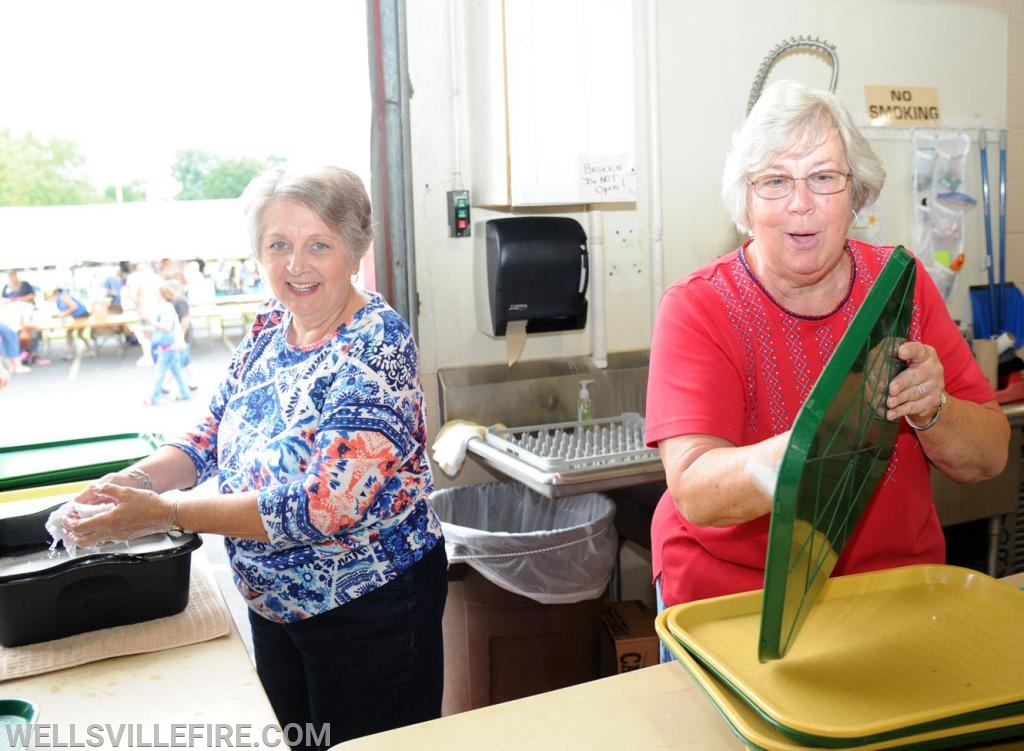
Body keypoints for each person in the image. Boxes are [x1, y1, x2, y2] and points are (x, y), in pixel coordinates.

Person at [64, 165, 447, 748]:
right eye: (279, 245)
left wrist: (163, 513)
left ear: (355, 251)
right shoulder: (272, 326)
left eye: (319, 244)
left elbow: (324, 505)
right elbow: (209, 434)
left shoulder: (376, 345)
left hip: (370, 612)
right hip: (277, 611)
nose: (297, 265)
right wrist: (132, 481)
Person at [645, 80, 1009, 633]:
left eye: (822, 177)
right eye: (774, 181)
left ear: (856, 195)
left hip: (891, 593)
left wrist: (933, 410)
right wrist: (811, 448)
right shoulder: (700, 306)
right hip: (732, 604)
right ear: (745, 202)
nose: (800, 203)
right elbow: (696, 491)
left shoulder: (900, 286)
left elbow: (989, 458)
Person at [143, 286, 191, 406]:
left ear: (163, 295)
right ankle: (185, 393)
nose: (155, 296)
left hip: (167, 343)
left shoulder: (167, 308)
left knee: (160, 372)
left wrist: (151, 321)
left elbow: (167, 327)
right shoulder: (166, 308)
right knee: (176, 370)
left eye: (157, 294)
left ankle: (153, 398)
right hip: (170, 343)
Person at [49, 287, 95, 360]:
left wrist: (64, 314)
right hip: (76, 317)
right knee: (73, 333)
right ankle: (84, 349)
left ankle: (71, 352)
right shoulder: (58, 301)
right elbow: (64, 312)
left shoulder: (63, 297)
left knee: (73, 333)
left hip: (82, 315)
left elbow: (74, 306)